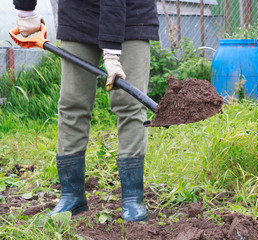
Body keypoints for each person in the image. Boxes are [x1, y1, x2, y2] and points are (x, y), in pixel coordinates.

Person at [13, 0, 159, 222]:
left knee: (129, 104)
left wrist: (112, 54)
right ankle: (72, 195)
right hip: (78, 13)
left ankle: (132, 197)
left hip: (132, 15)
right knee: (72, 102)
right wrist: (26, 11)